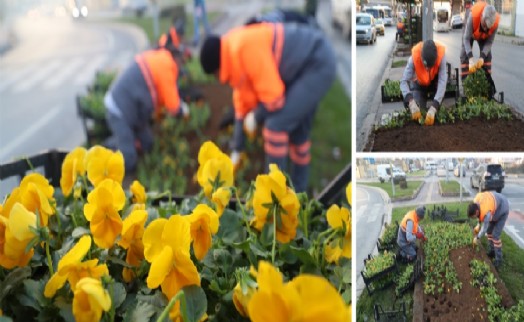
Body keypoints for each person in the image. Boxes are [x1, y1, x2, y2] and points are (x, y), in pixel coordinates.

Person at [199, 22, 336, 192]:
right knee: (298, 135)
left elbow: (274, 98)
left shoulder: (242, 48)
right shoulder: (232, 52)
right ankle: (299, 195)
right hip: (305, 68)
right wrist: (237, 148)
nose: (218, 79)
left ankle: (272, 194)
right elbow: (241, 104)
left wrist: (256, 116)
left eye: (215, 75)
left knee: (275, 126)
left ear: (217, 68)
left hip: (316, 63)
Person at [105, 46, 190, 172]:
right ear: (177, 60)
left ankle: (124, 142)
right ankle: (106, 150)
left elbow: (159, 93)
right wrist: (183, 110)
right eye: (182, 63)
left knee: (147, 143)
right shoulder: (166, 66)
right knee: (129, 158)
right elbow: (173, 107)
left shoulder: (161, 58)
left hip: (135, 112)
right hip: (120, 110)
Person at [400, 40, 448, 126]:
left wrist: (434, 106)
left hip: (434, 84)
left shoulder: (441, 55)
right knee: (419, 114)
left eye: (430, 67)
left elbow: (442, 81)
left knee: (436, 114)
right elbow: (403, 81)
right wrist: (411, 102)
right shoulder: (414, 57)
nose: (427, 70)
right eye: (425, 66)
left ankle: (434, 109)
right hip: (419, 85)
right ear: (421, 57)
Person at [461, 3, 499, 96]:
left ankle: (486, 88)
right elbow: (466, 39)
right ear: (482, 16)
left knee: (487, 56)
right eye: (484, 25)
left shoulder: (495, 23)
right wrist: (470, 58)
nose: (485, 28)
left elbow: (489, 42)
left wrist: (482, 57)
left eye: (487, 27)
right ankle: (467, 89)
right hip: (471, 32)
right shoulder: (472, 16)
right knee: (464, 55)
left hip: (483, 36)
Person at [468, 191, 509, 269]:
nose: (473, 218)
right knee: (489, 232)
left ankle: (498, 259)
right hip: (494, 208)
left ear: (476, 212)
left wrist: (477, 237)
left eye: (473, 216)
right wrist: (478, 224)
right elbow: (479, 216)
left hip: (502, 209)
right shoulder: (476, 200)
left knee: (495, 236)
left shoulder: (486, 214)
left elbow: (484, 229)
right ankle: (492, 251)